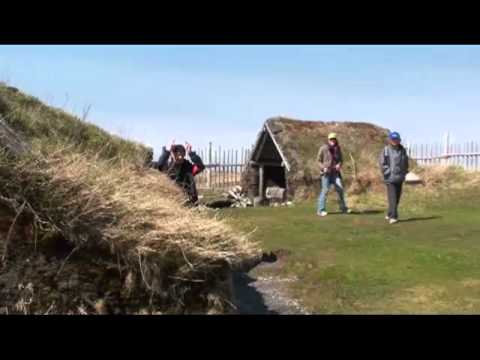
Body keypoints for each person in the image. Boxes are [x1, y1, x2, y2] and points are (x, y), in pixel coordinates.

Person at [157, 140, 205, 205]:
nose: (180, 157)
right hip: (172, 203)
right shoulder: (167, 167)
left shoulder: (189, 167)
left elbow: (200, 166)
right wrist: (167, 152)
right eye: (177, 155)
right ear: (172, 154)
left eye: (182, 155)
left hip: (190, 202)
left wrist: (191, 154)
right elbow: (159, 166)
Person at [316, 133, 351, 217]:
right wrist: (323, 168)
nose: (332, 141)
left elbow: (341, 160)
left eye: (334, 139)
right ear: (328, 140)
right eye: (331, 139)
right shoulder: (323, 148)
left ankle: (343, 208)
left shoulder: (338, 148)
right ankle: (320, 210)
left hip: (335, 173)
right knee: (325, 190)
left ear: (336, 139)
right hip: (326, 173)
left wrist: (339, 164)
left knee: (340, 189)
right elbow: (318, 160)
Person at [379, 131, 409, 224]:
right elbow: (382, 163)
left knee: (397, 198)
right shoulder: (386, 150)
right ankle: (394, 217)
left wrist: (405, 172)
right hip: (390, 178)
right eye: (393, 139)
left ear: (399, 140)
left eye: (397, 139)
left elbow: (405, 162)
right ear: (390, 140)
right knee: (393, 198)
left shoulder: (403, 150)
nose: (395, 141)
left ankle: (389, 213)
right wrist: (388, 172)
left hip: (400, 177)